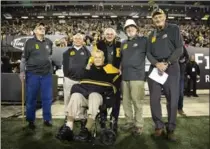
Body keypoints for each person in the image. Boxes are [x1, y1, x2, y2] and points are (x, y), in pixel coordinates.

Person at [56, 50, 120, 141]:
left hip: (100, 99)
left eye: (99, 57)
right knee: (76, 95)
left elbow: (111, 89)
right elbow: (77, 88)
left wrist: (90, 89)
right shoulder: (86, 71)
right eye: (95, 57)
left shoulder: (109, 70)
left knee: (94, 95)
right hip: (86, 98)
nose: (97, 59)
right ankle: (69, 127)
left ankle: (87, 130)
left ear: (103, 59)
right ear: (92, 58)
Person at [147, 8, 183, 141]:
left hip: (171, 67)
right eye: (155, 17)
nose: (157, 19)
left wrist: (167, 62)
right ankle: (158, 126)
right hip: (155, 68)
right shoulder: (151, 34)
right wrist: (157, 64)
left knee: (172, 100)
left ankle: (171, 128)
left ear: (165, 17)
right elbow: (148, 53)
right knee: (154, 99)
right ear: (152, 20)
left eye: (160, 16)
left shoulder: (174, 29)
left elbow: (179, 48)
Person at [19, 22, 53, 129]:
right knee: (31, 98)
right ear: (35, 31)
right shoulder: (29, 42)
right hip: (32, 74)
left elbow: (49, 56)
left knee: (47, 98)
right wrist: (22, 71)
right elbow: (24, 58)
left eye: (43, 28)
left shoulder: (49, 42)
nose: (42, 29)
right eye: (40, 28)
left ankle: (47, 119)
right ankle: (30, 120)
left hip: (46, 74)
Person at [120, 19, 147, 135]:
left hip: (137, 76)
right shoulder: (123, 43)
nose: (130, 29)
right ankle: (129, 122)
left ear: (136, 29)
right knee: (126, 102)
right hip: (125, 76)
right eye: (128, 28)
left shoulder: (143, 40)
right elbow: (122, 58)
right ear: (125, 30)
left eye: (132, 27)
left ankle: (139, 125)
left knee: (137, 102)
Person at [96, 28, 121, 132]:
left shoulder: (119, 44)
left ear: (114, 35)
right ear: (104, 35)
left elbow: (123, 58)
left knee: (116, 99)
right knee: (102, 97)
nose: (109, 35)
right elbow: (95, 57)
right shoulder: (99, 44)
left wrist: (121, 68)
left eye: (111, 34)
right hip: (103, 75)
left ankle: (114, 119)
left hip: (116, 76)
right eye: (107, 34)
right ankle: (103, 118)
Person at [63, 33, 91, 119]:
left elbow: (89, 65)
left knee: (82, 97)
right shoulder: (67, 52)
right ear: (73, 40)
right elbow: (64, 65)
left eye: (80, 38)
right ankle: (67, 115)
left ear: (83, 40)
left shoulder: (87, 52)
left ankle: (81, 115)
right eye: (76, 38)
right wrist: (66, 76)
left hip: (82, 80)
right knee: (68, 97)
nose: (78, 40)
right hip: (70, 79)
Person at [178, 45, 189, 116]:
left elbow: (187, 57)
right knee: (171, 94)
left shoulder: (182, 47)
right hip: (172, 74)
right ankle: (172, 109)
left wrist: (184, 61)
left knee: (181, 94)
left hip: (181, 75)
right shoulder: (171, 45)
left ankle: (180, 109)